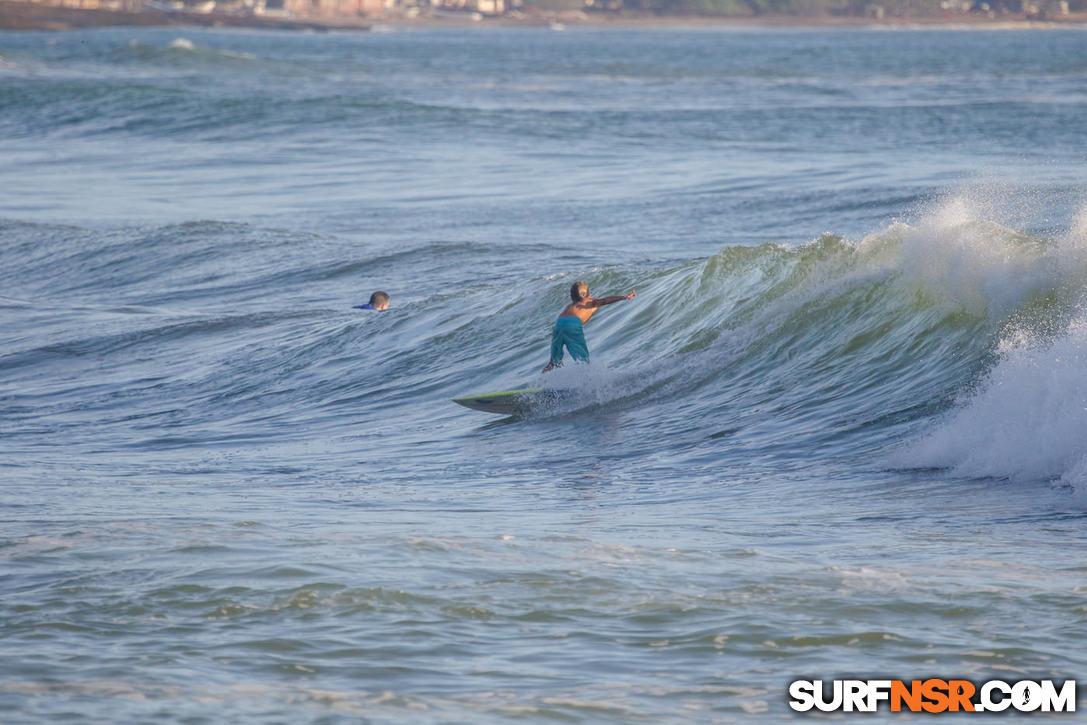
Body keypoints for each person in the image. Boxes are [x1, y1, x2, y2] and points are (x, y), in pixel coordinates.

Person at [542, 280, 635, 373]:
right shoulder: (590, 302)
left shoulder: (570, 306)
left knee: (554, 362)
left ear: (572, 297)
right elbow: (606, 300)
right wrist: (624, 297)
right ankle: (589, 380)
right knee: (583, 360)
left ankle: (541, 380)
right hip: (572, 324)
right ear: (589, 294)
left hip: (559, 324)